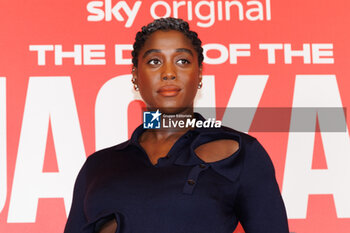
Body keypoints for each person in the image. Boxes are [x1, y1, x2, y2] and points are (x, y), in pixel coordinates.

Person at [64, 17, 289, 233]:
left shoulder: (241, 152)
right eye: (154, 61)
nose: (169, 73)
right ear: (135, 76)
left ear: (199, 73)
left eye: (182, 61)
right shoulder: (98, 166)